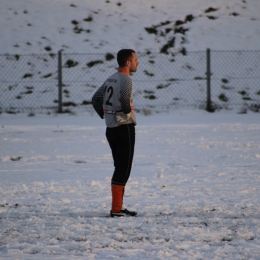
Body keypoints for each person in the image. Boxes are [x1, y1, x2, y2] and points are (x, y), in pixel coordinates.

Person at [92, 49, 139, 217]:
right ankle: (117, 210)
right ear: (128, 63)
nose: (137, 63)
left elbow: (95, 99)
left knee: (119, 167)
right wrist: (124, 112)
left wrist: (107, 115)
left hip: (111, 128)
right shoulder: (126, 80)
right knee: (123, 169)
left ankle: (117, 208)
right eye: (135, 59)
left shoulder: (111, 78)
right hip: (124, 127)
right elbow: (126, 101)